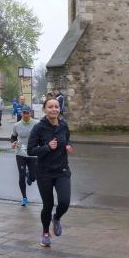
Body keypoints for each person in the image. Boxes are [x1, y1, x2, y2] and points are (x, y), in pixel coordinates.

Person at [27, 97, 73, 248]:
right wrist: (47, 147)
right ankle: (46, 232)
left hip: (62, 170)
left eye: (56, 107)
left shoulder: (64, 125)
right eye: (50, 107)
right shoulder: (38, 128)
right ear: (44, 109)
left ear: (59, 109)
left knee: (64, 202)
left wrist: (68, 146)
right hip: (44, 172)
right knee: (48, 204)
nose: (54, 109)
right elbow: (30, 150)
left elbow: (67, 140)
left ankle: (57, 217)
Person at [10, 106, 38, 206]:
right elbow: (13, 137)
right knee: (21, 175)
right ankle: (24, 197)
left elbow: (41, 136)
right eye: (24, 113)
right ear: (21, 113)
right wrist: (13, 143)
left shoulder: (36, 124)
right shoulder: (16, 125)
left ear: (31, 113)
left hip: (33, 152)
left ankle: (29, 176)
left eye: (27, 113)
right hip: (20, 152)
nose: (26, 115)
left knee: (33, 177)